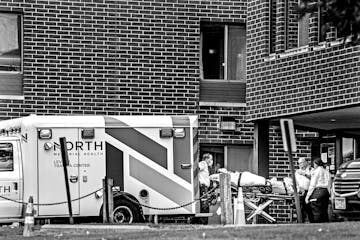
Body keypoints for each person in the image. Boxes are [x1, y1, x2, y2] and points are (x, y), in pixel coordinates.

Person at [305, 158, 331, 223]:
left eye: (314, 164)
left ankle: (317, 226)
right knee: (324, 211)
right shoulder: (327, 172)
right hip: (326, 192)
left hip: (318, 191)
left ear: (316, 164)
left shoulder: (316, 171)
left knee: (316, 211)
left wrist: (307, 196)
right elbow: (329, 184)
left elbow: (312, 184)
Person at [295, 157, 313, 223]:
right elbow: (295, 182)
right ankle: (300, 223)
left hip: (310, 192)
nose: (300, 165)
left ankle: (312, 224)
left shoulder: (311, 170)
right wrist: (299, 188)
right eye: (299, 163)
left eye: (301, 163)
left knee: (310, 210)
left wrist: (304, 174)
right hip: (300, 192)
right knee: (300, 209)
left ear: (306, 162)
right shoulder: (297, 172)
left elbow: (313, 179)